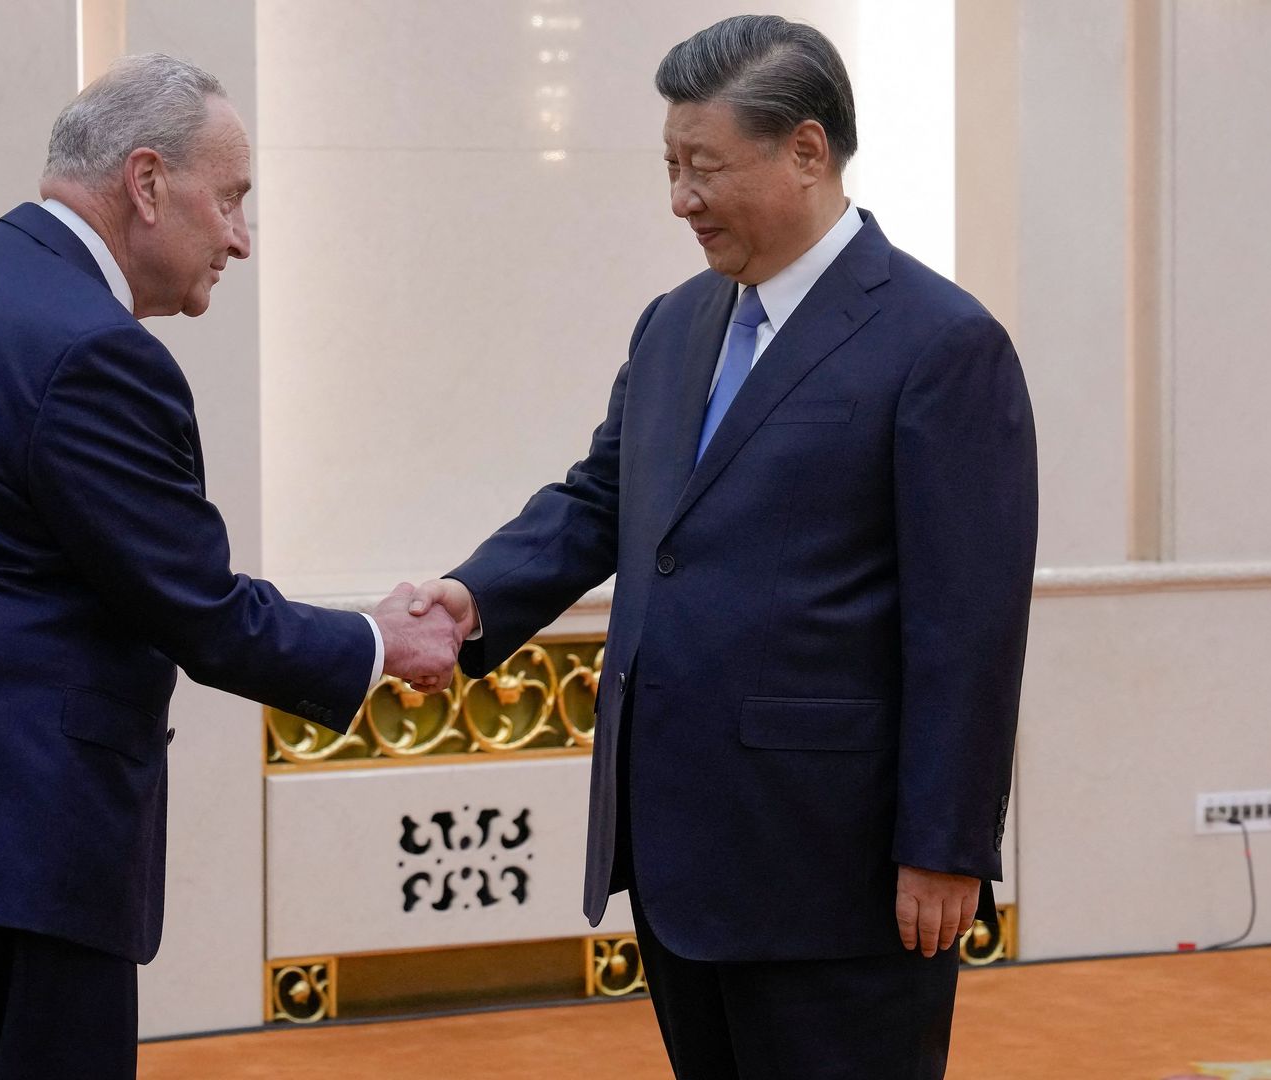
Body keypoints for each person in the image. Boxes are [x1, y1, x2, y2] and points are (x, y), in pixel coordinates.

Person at [0, 54, 459, 1079]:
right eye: (230, 198)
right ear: (146, 182)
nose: (241, 237)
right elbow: (196, 607)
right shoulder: (91, 349)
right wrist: (376, 642)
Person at [408, 16, 1038, 1079]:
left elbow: (967, 627)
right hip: (678, 856)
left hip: (837, 868)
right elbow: (604, 500)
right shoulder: (675, 324)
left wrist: (947, 845)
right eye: (670, 166)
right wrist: (475, 596)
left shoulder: (942, 343)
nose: (680, 199)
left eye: (703, 167)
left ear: (806, 150)